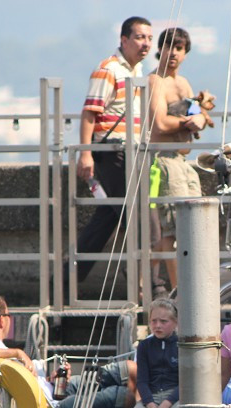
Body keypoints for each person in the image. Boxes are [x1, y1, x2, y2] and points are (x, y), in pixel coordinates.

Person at [0, 293, 137, 408]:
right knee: (124, 396)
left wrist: (49, 380)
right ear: (1, 320)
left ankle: (156, 399)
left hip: (55, 392)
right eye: (9, 314)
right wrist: (18, 353)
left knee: (127, 370)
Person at [75, 16, 153, 283]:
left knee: (109, 216)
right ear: (124, 40)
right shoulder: (108, 70)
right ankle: (143, 280)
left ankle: (68, 278)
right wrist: (85, 153)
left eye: (149, 38)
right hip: (112, 152)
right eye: (140, 37)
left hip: (130, 152)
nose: (146, 44)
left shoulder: (136, 71)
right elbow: (89, 113)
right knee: (133, 217)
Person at [146, 27, 212, 296]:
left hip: (184, 161)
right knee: (169, 232)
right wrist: (190, 120)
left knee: (193, 225)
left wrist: (202, 113)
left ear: (185, 53)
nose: (172, 53)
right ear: (159, 49)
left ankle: (186, 286)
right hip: (162, 161)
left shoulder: (183, 83)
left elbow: (199, 117)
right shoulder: (154, 81)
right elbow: (159, 123)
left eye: (179, 48)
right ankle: (177, 290)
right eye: (168, 46)